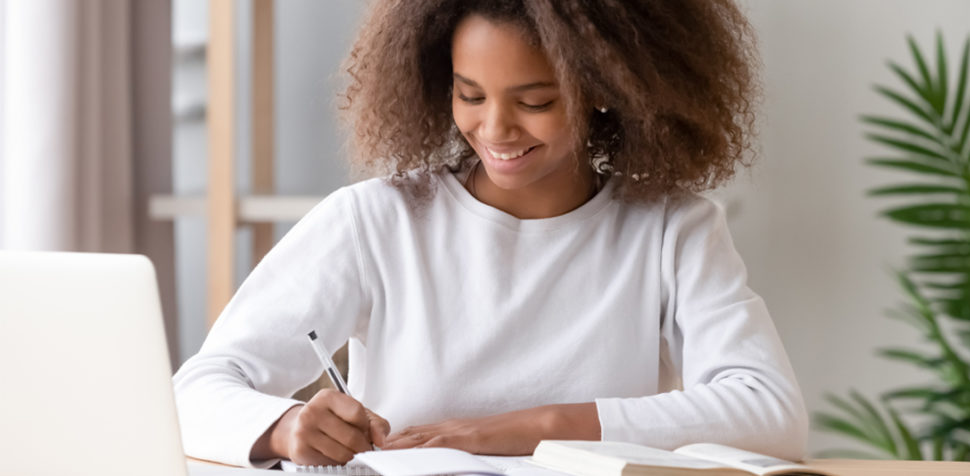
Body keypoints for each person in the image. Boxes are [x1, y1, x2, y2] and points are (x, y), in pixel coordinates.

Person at [173, 0, 808, 469]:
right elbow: (194, 390)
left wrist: (527, 428)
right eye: (469, 94)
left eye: (534, 101)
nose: (496, 128)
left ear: (605, 92)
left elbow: (770, 413)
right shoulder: (375, 219)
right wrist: (285, 427)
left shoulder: (672, 228)